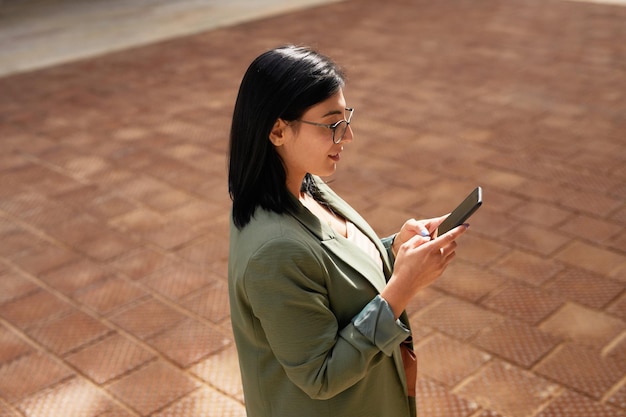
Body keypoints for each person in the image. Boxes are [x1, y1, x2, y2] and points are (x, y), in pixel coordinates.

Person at [228, 45, 468, 417]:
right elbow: (320, 375)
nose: (348, 136)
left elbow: (331, 274)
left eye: (346, 118)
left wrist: (395, 248)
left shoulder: (305, 186)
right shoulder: (274, 250)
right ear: (277, 130)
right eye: (331, 124)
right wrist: (403, 286)